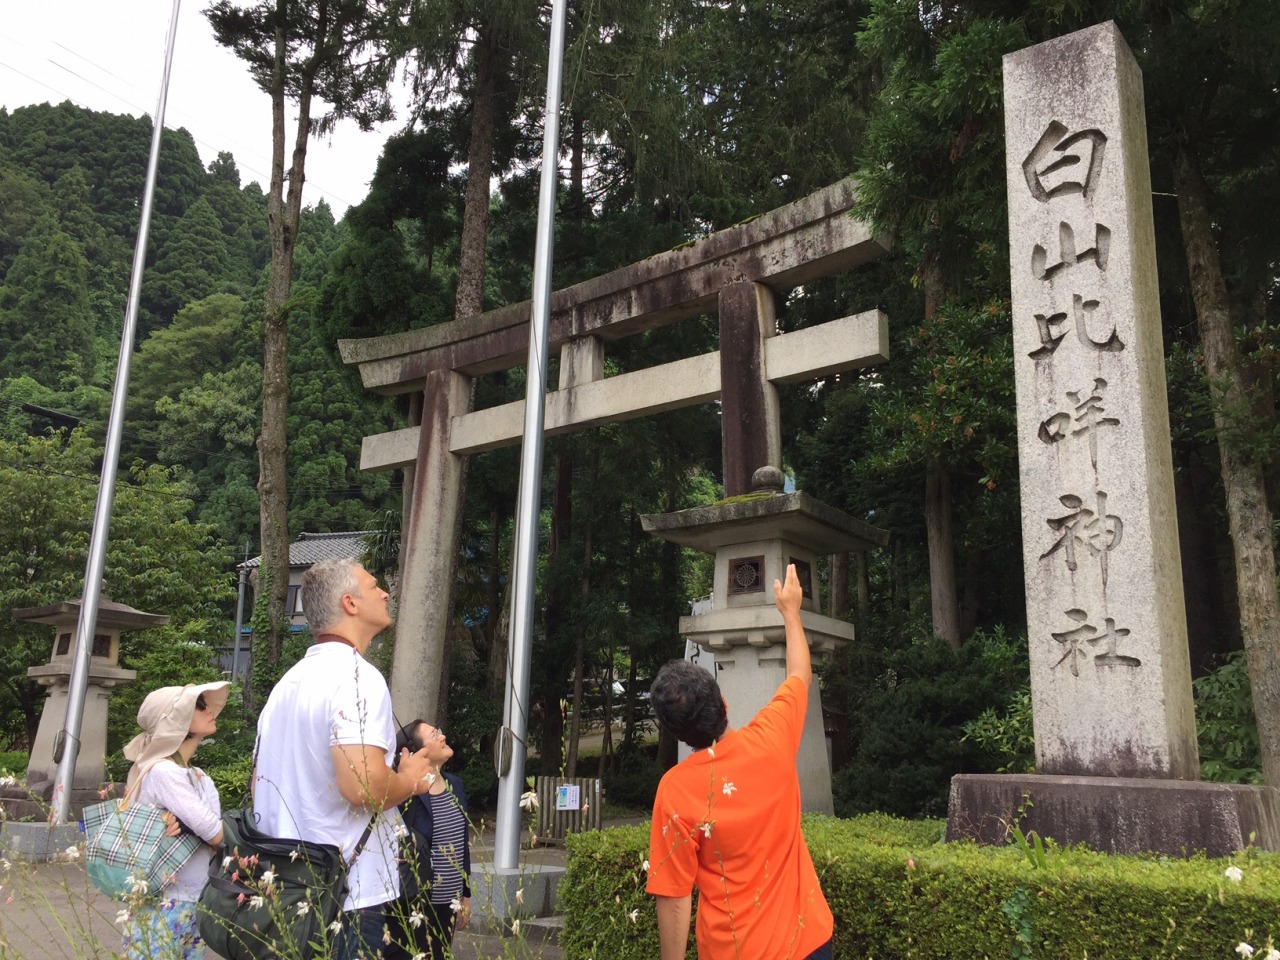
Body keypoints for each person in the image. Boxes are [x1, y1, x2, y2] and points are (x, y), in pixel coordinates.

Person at [645, 563, 834, 960]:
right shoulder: (772, 738)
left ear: (678, 734)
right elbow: (800, 673)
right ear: (724, 703)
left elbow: (675, 896)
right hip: (810, 940)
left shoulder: (676, 791)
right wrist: (790, 613)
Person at [252, 558, 435, 960]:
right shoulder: (357, 676)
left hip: (286, 887)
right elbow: (364, 787)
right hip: (344, 894)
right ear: (350, 603)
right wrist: (410, 779)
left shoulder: (286, 685)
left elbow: (258, 786)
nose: (385, 593)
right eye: (374, 587)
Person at [120, 680, 231, 960]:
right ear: (176, 720)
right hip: (162, 900)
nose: (209, 711)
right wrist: (210, 834)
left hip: (195, 898)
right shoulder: (163, 772)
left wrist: (205, 833)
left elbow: (214, 834)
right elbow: (214, 833)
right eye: (199, 705)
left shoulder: (198, 776)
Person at [385, 720, 471, 960]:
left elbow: (462, 842)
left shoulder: (455, 784)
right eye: (435, 735)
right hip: (416, 900)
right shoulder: (406, 791)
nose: (442, 737)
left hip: (449, 901)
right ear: (418, 751)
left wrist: (466, 894)